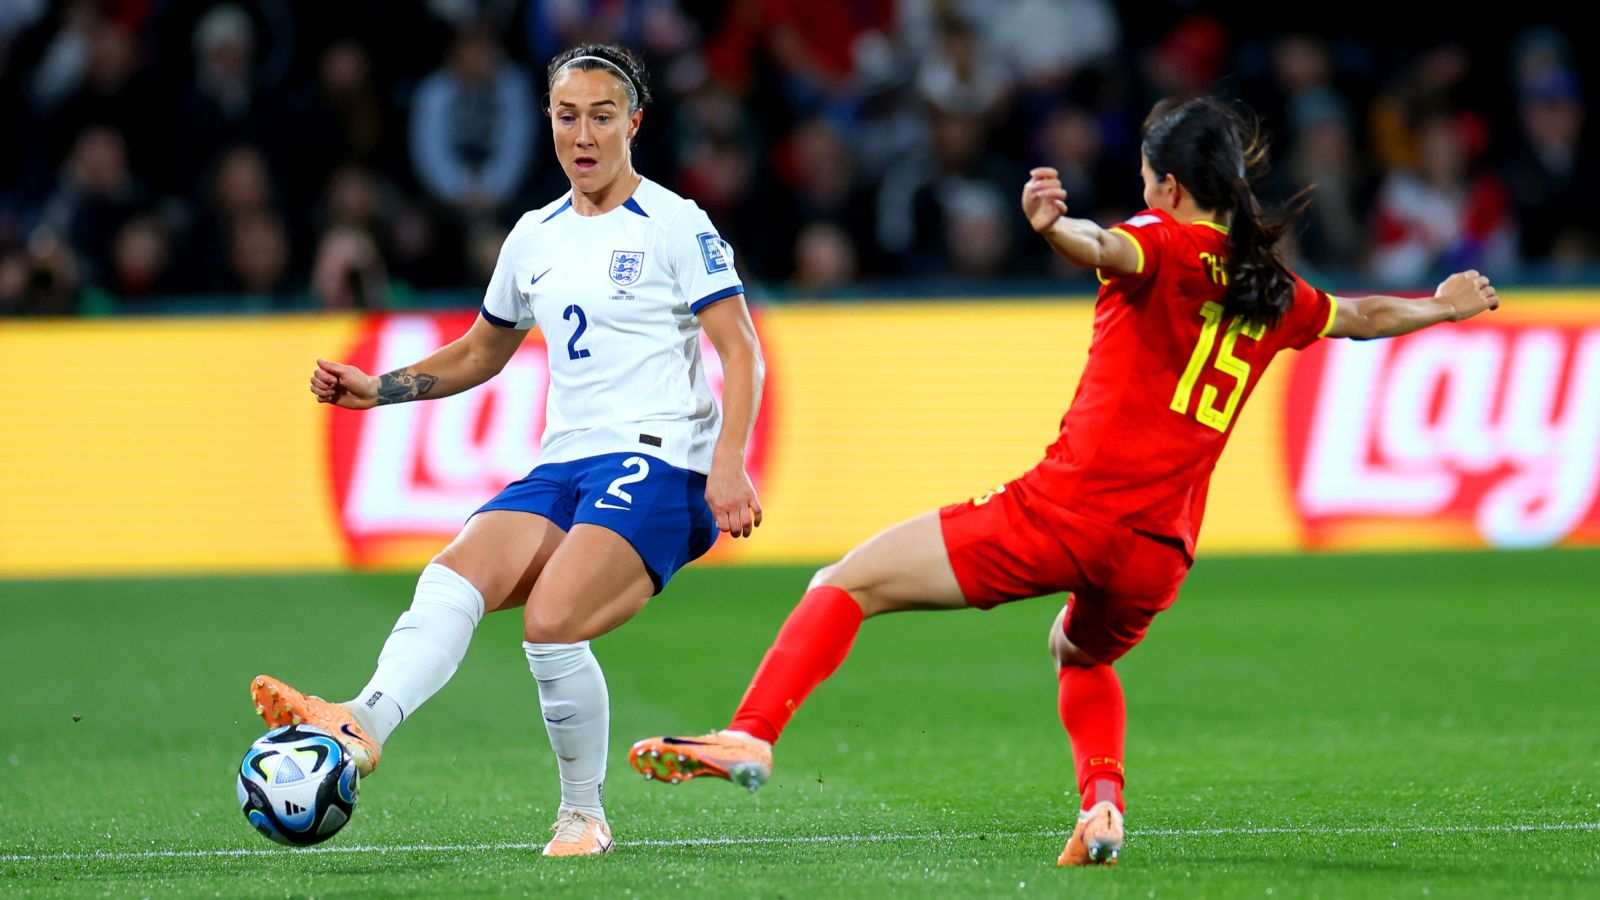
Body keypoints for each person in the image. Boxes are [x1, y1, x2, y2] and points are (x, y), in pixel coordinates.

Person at [628, 96, 1499, 867]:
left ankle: (751, 734)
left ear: (1164, 185)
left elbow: (1109, 247)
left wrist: (1051, 228)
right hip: (1159, 554)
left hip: (1068, 514)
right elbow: (1361, 316)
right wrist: (1445, 306)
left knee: (845, 581)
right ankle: (1102, 807)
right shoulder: (1275, 288)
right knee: (1077, 651)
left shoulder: (1163, 240)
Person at [251, 43, 765, 858]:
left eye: (602, 116)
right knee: (453, 576)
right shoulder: (534, 236)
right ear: (549, 122)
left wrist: (730, 461)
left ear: (634, 122)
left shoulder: (676, 223)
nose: (584, 134)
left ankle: (583, 817)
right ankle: (361, 724)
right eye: (567, 116)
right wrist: (378, 388)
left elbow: (740, 349)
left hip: (662, 461)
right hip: (566, 461)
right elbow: (479, 352)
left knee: (553, 624)